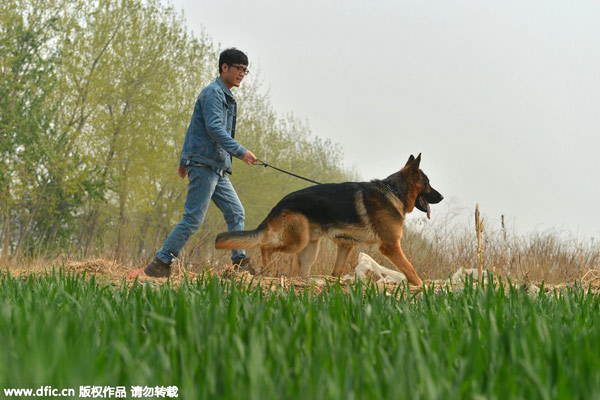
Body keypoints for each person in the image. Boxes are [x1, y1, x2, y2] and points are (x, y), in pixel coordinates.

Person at [128, 48, 257, 279]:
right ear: (224, 67)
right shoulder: (213, 94)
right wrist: (240, 152)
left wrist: (183, 159)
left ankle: (239, 264)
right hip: (205, 165)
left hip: (217, 167)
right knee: (193, 219)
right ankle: (161, 262)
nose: (242, 74)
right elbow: (214, 128)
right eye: (238, 68)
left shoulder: (226, 96)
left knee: (236, 211)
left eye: (245, 70)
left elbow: (193, 126)